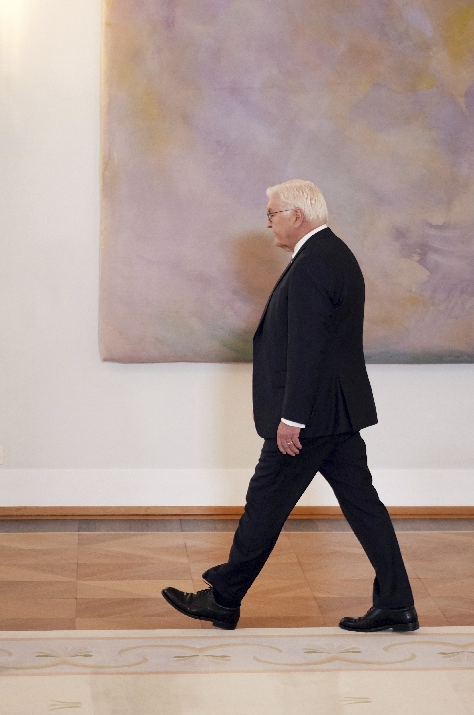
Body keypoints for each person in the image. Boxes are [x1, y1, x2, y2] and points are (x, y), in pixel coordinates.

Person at [162, 179, 418, 633]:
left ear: (297, 215)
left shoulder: (315, 264)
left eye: (272, 214)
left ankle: (223, 599)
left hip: (311, 420)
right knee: (363, 505)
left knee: (265, 503)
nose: (269, 223)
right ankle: (396, 602)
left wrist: (292, 417)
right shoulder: (331, 255)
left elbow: (309, 347)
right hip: (335, 414)